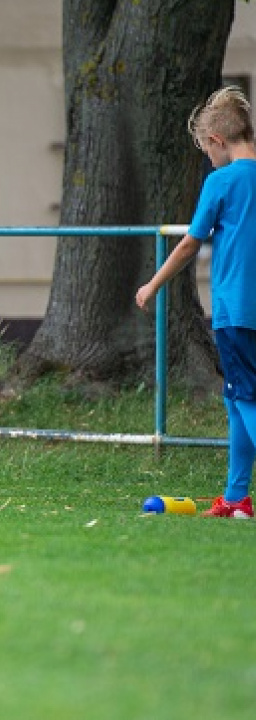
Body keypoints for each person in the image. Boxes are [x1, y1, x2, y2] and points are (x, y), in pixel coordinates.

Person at [136, 85, 256, 519]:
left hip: (236, 312)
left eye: (206, 148)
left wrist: (153, 284)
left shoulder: (221, 181)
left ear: (218, 141)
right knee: (235, 397)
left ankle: (237, 498)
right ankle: (236, 499)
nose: (208, 157)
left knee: (246, 398)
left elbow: (189, 245)